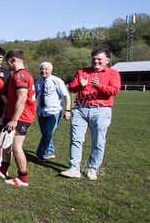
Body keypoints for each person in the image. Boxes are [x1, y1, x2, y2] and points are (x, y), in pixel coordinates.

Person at [61, 48, 121, 180]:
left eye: (99, 59)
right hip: (80, 109)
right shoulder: (82, 71)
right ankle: (74, 168)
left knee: (98, 142)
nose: (96, 61)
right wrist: (80, 87)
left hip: (101, 110)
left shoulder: (113, 73)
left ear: (107, 60)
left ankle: (92, 169)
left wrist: (99, 85)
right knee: (76, 139)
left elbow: (115, 90)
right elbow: (71, 87)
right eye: (94, 58)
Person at [0, 49, 36, 186]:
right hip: (14, 116)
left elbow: (22, 99)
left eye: (8, 62)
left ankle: (23, 178)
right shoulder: (20, 75)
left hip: (21, 117)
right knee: (7, 145)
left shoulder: (20, 76)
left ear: (13, 60)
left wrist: (14, 120)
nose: (7, 65)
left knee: (16, 147)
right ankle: (2, 169)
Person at [35, 62, 71, 162]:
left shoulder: (57, 81)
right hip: (41, 112)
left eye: (46, 69)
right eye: (42, 69)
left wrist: (67, 110)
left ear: (51, 70)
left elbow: (66, 96)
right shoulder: (38, 82)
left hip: (54, 111)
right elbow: (34, 96)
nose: (44, 71)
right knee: (45, 133)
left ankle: (40, 152)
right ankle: (50, 151)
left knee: (47, 132)